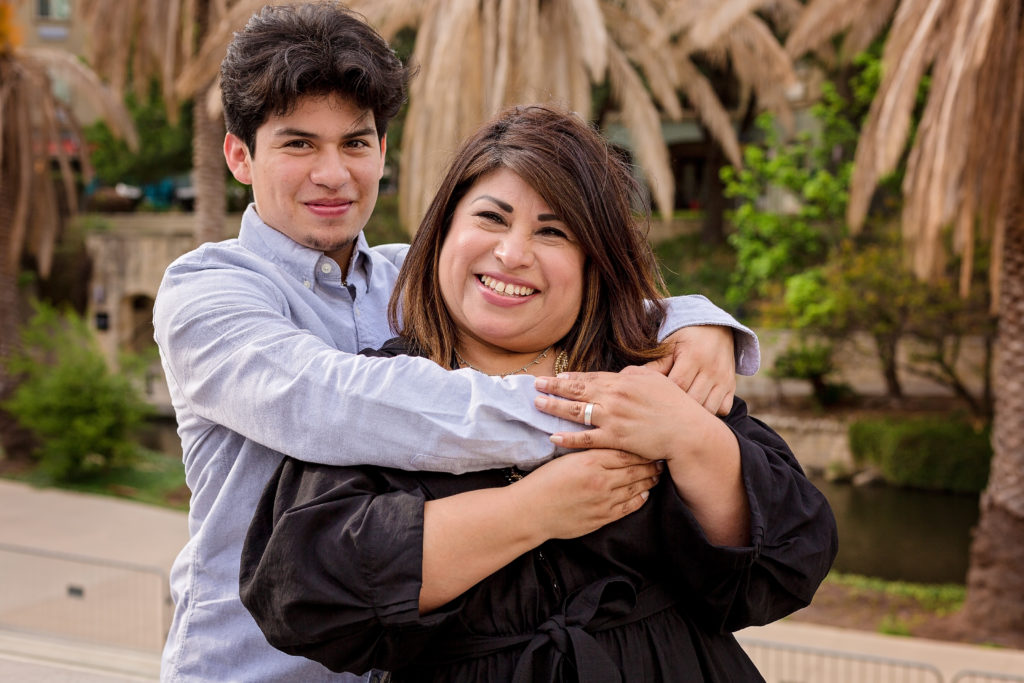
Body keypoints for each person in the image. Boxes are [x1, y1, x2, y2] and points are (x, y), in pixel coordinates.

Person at [152, 3, 760, 682]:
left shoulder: (405, 276)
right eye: (299, 144)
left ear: (382, 151)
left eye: (354, 143)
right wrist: (598, 418)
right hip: (252, 669)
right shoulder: (208, 293)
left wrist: (695, 325)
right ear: (240, 155)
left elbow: (559, 293)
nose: (333, 173)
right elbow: (341, 404)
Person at [239, 105, 838, 682]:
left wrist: (691, 435)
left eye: (553, 232)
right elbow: (302, 590)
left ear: (594, 262)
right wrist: (533, 511)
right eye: (491, 219)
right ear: (443, 233)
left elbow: (789, 560)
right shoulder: (384, 396)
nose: (513, 253)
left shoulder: (653, 376)